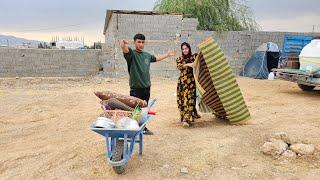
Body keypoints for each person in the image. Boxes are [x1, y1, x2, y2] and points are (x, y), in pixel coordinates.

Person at [120, 33, 175, 135]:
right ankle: (133, 129)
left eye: (142, 42)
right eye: (139, 42)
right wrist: (122, 44)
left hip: (146, 88)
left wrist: (167, 55)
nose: (141, 44)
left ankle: (143, 128)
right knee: (136, 110)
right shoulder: (131, 54)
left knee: (144, 110)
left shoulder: (147, 55)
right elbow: (124, 49)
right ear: (134, 42)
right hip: (136, 89)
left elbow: (156, 58)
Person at [176, 42, 201, 128]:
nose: (184, 50)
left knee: (190, 99)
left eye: (186, 48)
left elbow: (199, 58)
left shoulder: (193, 56)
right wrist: (188, 64)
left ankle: (186, 120)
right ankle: (186, 117)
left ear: (189, 48)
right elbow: (180, 66)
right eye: (183, 49)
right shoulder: (179, 59)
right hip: (182, 83)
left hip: (191, 83)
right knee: (183, 100)